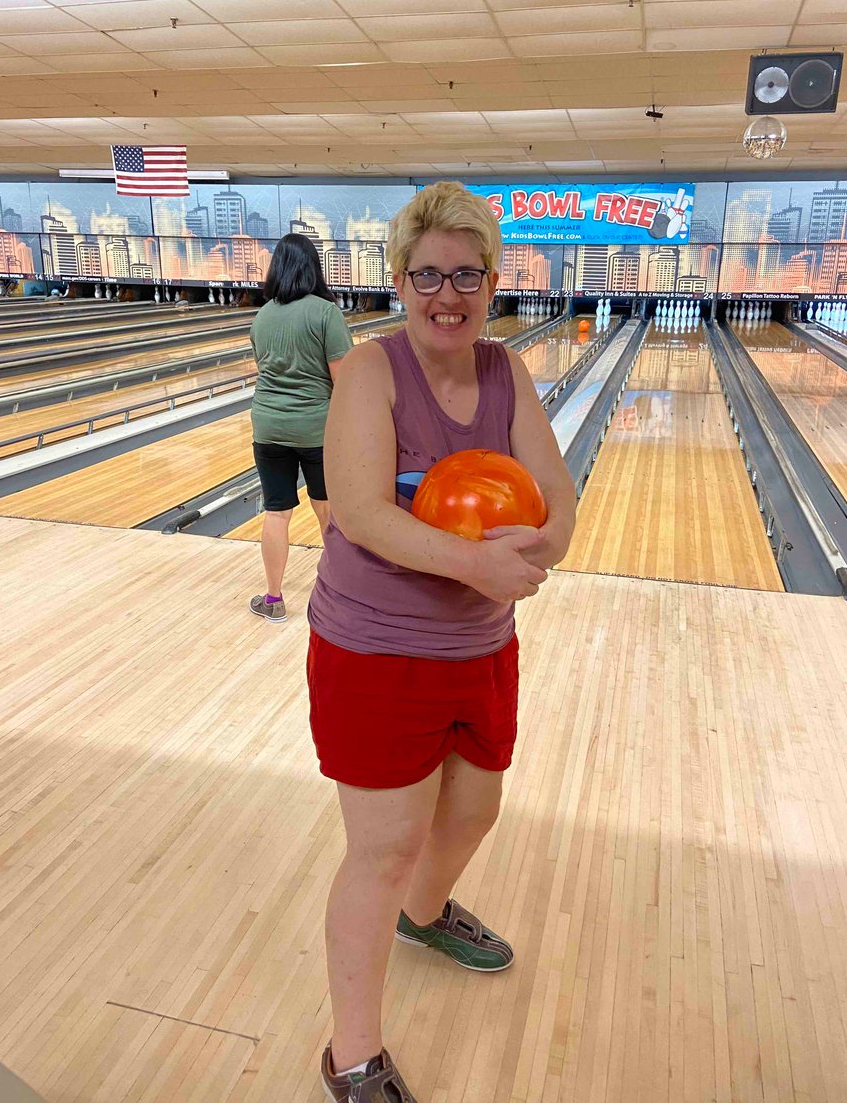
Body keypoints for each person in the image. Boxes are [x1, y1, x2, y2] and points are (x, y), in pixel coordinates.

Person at [307, 181, 577, 1100]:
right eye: (428, 274)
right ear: (400, 279)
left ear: (494, 282)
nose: (447, 293)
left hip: (480, 647)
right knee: (382, 849)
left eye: (468, 273)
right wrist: (477, 568)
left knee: (472, 813)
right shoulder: (372, 375)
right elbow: (361, 512)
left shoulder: (508, 374)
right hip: (374, 650)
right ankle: (352, 1054)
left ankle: (428, 916)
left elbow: (557, 494)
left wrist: (544, 545)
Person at [248, 233, 353, 623]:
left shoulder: (263, 316)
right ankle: (342, 592)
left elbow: (265, 369)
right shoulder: (325, 313)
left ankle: (273, 598)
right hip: (316, 429)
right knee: (327, 512)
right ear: (314, 268)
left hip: (268, 426)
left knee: (277, 513)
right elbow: (344, 381)